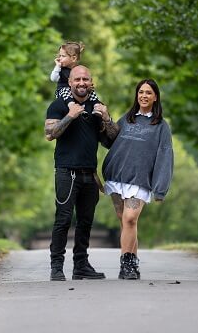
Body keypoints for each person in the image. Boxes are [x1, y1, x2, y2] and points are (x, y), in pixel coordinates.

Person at [45, 65, 118, 281]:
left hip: (90, 174)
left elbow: (111, 142)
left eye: (86, 79)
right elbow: (50, 133)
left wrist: (106, 118)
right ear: (70, 82)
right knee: (63, 220)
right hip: (67, 172)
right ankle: (57, 266)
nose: (81, 83)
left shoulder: (97, 107)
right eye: (77, 79)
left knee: (85, 222)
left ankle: (81, 265)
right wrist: (70, 116)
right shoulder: (58, 105)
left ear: (91, 82)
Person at [102, 79, 174, 280]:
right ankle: (132, 264)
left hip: (140, 180)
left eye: (148, 93)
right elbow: (109, 141)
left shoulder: (160, 126)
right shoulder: (127, 119)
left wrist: (160, 188)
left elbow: (165, 155)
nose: (144, 95)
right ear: (137, 95)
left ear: (155, 97)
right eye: (141, 92)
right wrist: (105, 121)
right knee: (125, 223)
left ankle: (126, 265)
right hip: (117, 178)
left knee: (130, 218)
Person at [50, 41, 101, 113]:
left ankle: (96, 107)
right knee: (65, 90)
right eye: (60, 56)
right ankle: (73, 107)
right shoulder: (61, 69)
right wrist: (57, 66)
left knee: (91, 91)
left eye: (63, 56)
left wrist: (89, 86)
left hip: (76, 91)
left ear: (73, 58)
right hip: (63, 92)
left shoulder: (78, 70)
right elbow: (53, 79)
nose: (60, 58)